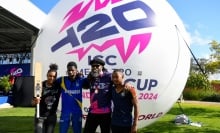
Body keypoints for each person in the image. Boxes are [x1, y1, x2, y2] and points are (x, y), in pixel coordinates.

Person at [56, 61, 87, 133]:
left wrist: (82, 76)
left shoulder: (81, 80)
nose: (70, 72)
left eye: (72, 70)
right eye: (69, 70)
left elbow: (89, 83)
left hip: (77, 112)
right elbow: (51, 83)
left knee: (77, 131)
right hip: (65, 112)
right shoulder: (62, 80)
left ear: (76, 70)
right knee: (62, 131)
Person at [83, 58, 112, 133]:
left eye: (97, 66)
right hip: (92, 112)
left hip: (105, 113)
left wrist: (126, 84)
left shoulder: (109, 76)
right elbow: (84, 86)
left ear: (102, 66)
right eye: (93, 66)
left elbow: (119, 83)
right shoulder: (90, 77)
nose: (94, 68)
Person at [32, 63, 60, 133]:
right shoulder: (40, 85)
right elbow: (32, 102)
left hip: (51, 116)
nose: (52, 78)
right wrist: (35, 101)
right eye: (50, 76)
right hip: (40, 116)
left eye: (54, 76)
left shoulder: (58, 86)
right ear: (47, 75)